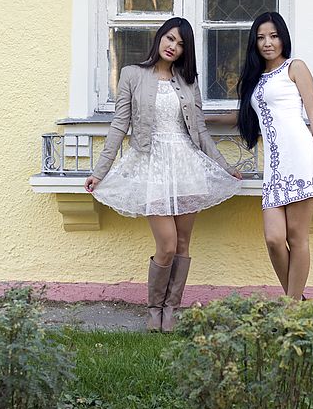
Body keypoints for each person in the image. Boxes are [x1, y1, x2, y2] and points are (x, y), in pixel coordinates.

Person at [84, 17, 242, 332]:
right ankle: (153, 306)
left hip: (185, 164)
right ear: (160, 38)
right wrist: (100, 171)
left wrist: (225, 168)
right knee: (167, 244)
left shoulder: (187, 82)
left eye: (181, 43)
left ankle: (169, 309)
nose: (173, 46)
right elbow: (119, 125)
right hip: (152, 164)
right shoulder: (131, 74)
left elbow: (198, 130)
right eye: (170, 38)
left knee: (183, 242)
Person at [235, 11, 313, 300]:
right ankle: (298, 303)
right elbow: (244, 115)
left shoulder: (295, 67)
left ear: (283, 38)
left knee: (297, 238)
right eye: (261, 37)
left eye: (274, 36)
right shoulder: (256, 79)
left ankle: (291, 310)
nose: (268, 43)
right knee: (274, 239)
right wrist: (201, 117)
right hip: (274, 170)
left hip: (302, 159)